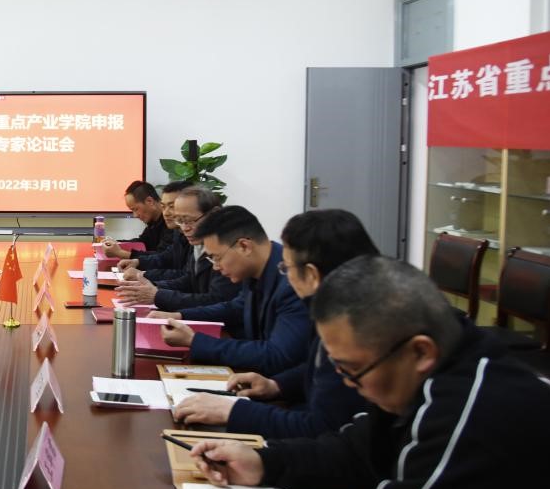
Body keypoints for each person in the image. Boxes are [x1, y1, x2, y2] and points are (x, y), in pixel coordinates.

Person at [188, 256, 550, 489]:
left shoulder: (470, 414)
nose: (347, 383)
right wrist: (263, 463)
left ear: (421, 352)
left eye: (353, 369)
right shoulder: (431, 366)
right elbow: (355, 451)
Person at [173, 209, 375, 438]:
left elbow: (322, 427)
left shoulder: (352, 329)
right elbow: (317, 367)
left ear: (311, 275)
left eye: (287, 268)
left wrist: (235, 412)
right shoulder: (342, 306)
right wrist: (277, 385)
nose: (215, 267)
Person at [153, 206, 311, 375]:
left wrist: (194, 341)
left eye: (216, 257)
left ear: (244, 246)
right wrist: (180, 315)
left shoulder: (294, 282)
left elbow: (277, 355)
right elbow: (235, 307)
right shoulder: (256, 267)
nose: (216, 267)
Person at [115, 186, 239, 311]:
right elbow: (188, 279)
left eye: (189, 220)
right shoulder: (193, 238)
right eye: (180, 221)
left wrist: (157, 294)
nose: (185, 228)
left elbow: (218, 300)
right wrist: (152, 287)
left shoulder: (228, 246)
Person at [115, 180, 192, 281]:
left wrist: (142, 275)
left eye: (172, 206)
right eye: (163, 207)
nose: (166, 213)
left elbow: (186, 278)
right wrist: (138, 262)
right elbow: (165, 257)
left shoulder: (201, 237)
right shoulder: (177, 232)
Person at [101, 181, 167, 258]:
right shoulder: (153, 223)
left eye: (136, 209)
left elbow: (162, 258)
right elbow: (142, 242)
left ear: (150, 201)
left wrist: (120, 253)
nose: (135, 215)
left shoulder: (171, 223)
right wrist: (115, 243)